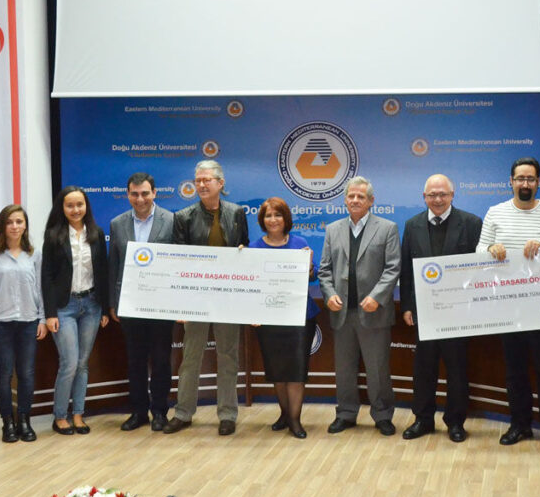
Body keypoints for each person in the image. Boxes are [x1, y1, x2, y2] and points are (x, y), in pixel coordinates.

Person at [477, 157, 540, 451]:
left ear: (538, 182)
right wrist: (491, 248)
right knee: (514, 370)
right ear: (511, 181)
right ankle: (520, 425)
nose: (525, 183)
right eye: (520, 178)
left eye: (530, 179)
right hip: (508, 305)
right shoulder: (495, 213)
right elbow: (478, 252)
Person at [164, 160, 249, 437]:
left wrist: (242, 252)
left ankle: (227, 414)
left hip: (228, 297)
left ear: (220, 183)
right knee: (190, 357)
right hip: (196, 298)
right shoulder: (184, 216)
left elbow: (245, 250)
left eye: (206, 180)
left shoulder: (237, 213)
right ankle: (183, 412)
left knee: (228, 357)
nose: (201, 184)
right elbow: (178, 262)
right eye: (198, 180)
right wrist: (181, 303)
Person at [399, 174, 482, 443]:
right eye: (432, 195)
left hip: (458, 311)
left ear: (452, 195)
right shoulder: (412, 225)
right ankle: (423, 419)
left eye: (442, 194)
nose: (437, 199)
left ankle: (455, 422)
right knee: (424, 369)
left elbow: (479, 268)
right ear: (424, 197)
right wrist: (407, 306)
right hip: (424, 311)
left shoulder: (471, 223)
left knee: (457, 369)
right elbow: (406, 269)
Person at [318, 176, 401, 436]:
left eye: (360, 197)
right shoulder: (333, 230)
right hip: (342, 313)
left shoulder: (387, 228)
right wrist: (329, 294)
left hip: (374, 313)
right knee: (344, 369)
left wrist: (377, 296)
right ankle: (345, 414)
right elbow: (324, 270)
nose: (355, 200)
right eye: (351, 196)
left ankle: (383, 415)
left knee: (378, 369)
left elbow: (393, 268)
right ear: (345, 200)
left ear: (371, 201)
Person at [108, 172, 175, 432]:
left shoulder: (171, 220)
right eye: (134, 194)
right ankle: (138, 412)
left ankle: (159, 411)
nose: (140, 199)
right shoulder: (117, 224)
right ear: (128, 195)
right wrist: (113, 303)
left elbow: (179, 262)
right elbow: (113, 265)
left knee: (161, 360)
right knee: (135, 360)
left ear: (154, 193)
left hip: (161, 302)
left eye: (145, 193)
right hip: (130, 303)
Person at [249, 197, 319, 439]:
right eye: (268, 216)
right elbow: (251, 285)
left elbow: (312, 277)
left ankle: (295, 421)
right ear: (262, 220)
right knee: (277, 371)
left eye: (277, 215)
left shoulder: (300, 244)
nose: (273, 220)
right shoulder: (254, 248)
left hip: (300, 317)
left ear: (286, 218)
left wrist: (309, 266)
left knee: (296, 372)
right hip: (269, 319)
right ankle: (285, 413)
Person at [0, 204, 48, 443]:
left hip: (28, 322)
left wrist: (42, 319)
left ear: (25, 225)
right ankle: (7, 422)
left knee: (26, 373)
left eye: (19, 221)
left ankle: (24, 420)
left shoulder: (34, 254)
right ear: (2, 226)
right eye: (9, 222)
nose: (15, 226)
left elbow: (41, 289)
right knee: (4, 373)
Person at [42, 186, 109, 436]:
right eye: (70, 205)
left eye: (79, 204)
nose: (75, 209)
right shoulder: (53, 235)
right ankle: (60, 416)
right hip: (64, 307)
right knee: (69, 363)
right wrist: (50, 313)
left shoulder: (96, 233)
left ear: (86, 206)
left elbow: (102, 271)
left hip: (91, 305)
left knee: (82, 363)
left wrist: (104, 307)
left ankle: (78, 414)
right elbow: (47, 277)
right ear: (62, 208)